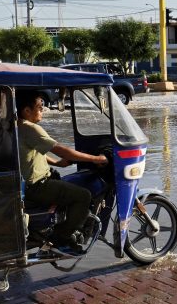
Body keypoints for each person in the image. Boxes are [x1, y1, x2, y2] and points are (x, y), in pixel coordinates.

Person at [16, 90, 108, 254]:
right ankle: (61, 237)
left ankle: (63, 227)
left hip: (28, 182)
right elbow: (62, 150)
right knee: (83, 196)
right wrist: (95, 159)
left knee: (69, 185)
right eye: (39, 107)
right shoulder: (30, 129)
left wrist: (58, 163)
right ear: (27, 111)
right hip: (37, 185)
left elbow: (35, 154)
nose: (42, 110)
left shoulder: (16, 126)